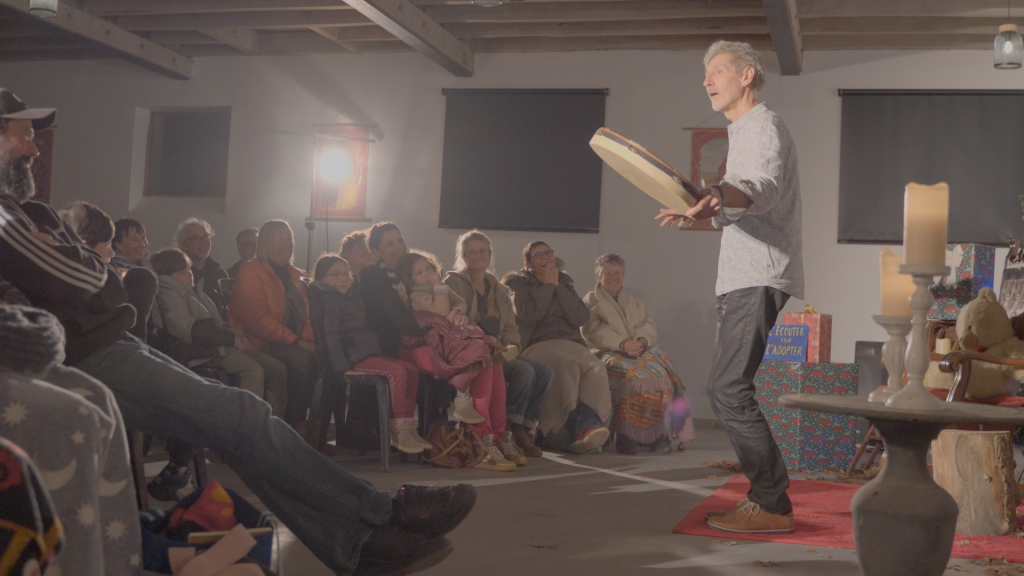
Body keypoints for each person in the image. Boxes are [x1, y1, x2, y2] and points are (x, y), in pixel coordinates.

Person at [0, 88, 474, 575]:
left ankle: (359, 544)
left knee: (241, 421)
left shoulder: (28, 212)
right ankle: (376, 518)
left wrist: (73, 259)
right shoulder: (3, 213)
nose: (35, 149)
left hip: (111, 341)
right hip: (87, 354)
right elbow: (86, 276)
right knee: (242, 414)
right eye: (24, 134)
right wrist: (76, 262)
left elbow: (97, 277)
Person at [656, 41, 803, 534]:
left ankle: (772, 505)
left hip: (756, 275)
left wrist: (717, 194)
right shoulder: (743, 130)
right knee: (729, 388)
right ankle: (769, 499)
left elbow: (759, 188)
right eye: (704, 72)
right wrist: (703, 203)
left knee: (727, 389)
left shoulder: (762, 126)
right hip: (745, 276)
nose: (706, 79)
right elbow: (739, 198)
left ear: (746, 75)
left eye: (717, 70)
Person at [395, 250, 516, 472]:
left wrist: (459, 311)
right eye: (420, 272)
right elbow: (440, 312)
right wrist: (440, 288)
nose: (427, 274)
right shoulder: (417, 295)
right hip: (430, 345)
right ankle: (480, 439)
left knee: (494, 363)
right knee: (482, 358)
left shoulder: (441, 289)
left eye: (429, 269)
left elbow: (456, 305)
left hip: (448, 339)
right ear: (409, 279)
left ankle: (496, 436)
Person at [445, 230, 552, 460]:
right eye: (471, 252)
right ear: (463, 256)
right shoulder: (454, 281)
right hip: (472, 350)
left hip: (499, 348)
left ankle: (519, 429)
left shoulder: (499, 288)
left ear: (490, 254)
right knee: (525, 371)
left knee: (545, 372)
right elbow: (454, 322)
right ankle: (502, 436)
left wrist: (511, 344)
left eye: (482, 251)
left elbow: (511, 327)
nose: (477, 256)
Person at [309, 254, 430, 454]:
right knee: (398, 373)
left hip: (362, 351)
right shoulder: (328, 300)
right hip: (351, 358)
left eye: (345, 273)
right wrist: (341, 369)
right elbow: (329, 336)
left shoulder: (346, 298)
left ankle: (408, 428)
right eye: (335, 275)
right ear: (321, 279)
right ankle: (397, 429)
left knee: (410, 370)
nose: (343, 278)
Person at [150, 247, 287, 417]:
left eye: (188, 269)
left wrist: (239, 335)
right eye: (182, 272)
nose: (189, 274)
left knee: (277, 369)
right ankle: (247, 429)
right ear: (167, 276)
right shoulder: (169, 294)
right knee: (253, 372)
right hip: (202, 352)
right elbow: (191, 332)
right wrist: (234, 341)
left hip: (219, 344)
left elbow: (219, 325)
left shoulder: (195, 292)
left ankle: (273, 424)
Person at [581, 253, 695, 455]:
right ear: (599, 277)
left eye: (617, 273)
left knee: (661, 376)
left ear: (623, 276)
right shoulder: (589, 301)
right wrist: (622, 343)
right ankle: (627, 436)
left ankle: (658, 435)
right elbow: (592, 331)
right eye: (607, 273)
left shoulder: (636, 302)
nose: (613, 277)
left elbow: (648, 325)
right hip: (607, 351)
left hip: (639, 350)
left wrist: (641, 341)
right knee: (633, 378)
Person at [506, 242, 612, 454]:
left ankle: (586, 429)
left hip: (571, 343)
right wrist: (547, 287)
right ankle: (556, 434)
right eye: (539, 255)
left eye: (548, 253)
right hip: (539, 344)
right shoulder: (519, 284)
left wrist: (558, 287)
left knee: (597, 367)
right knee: (567, 366)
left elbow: (581, 317)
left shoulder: (565, 282)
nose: (545, 258)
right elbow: (529, 315)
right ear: (528, 263)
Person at [229, 220, 317, 428]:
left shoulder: (299, 275)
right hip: (260, 341)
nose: (287, 243)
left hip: (292, 340)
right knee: (303, 360)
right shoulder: (251, 271)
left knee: (326, 358)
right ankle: (295, 426)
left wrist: (306, 338)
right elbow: (256, 320)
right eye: (281, 239)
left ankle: (317, 428)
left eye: (290, 239)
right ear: (266, 243)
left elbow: (310, 315)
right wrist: (295, 341)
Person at [358, 222, 428, 359]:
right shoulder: (373, 275)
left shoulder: (407, 272)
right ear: (376, 251)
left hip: (413, 338)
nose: (398, 247)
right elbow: (399, 320)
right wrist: (435, 327)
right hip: (391, 346)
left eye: (400, 240)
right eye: (390, 244)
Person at [175, 218, 229, 317]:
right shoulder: (177, 274)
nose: (203, 242)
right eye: (196, 239)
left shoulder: (220, 273)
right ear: (184, 245)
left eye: (206, 237)